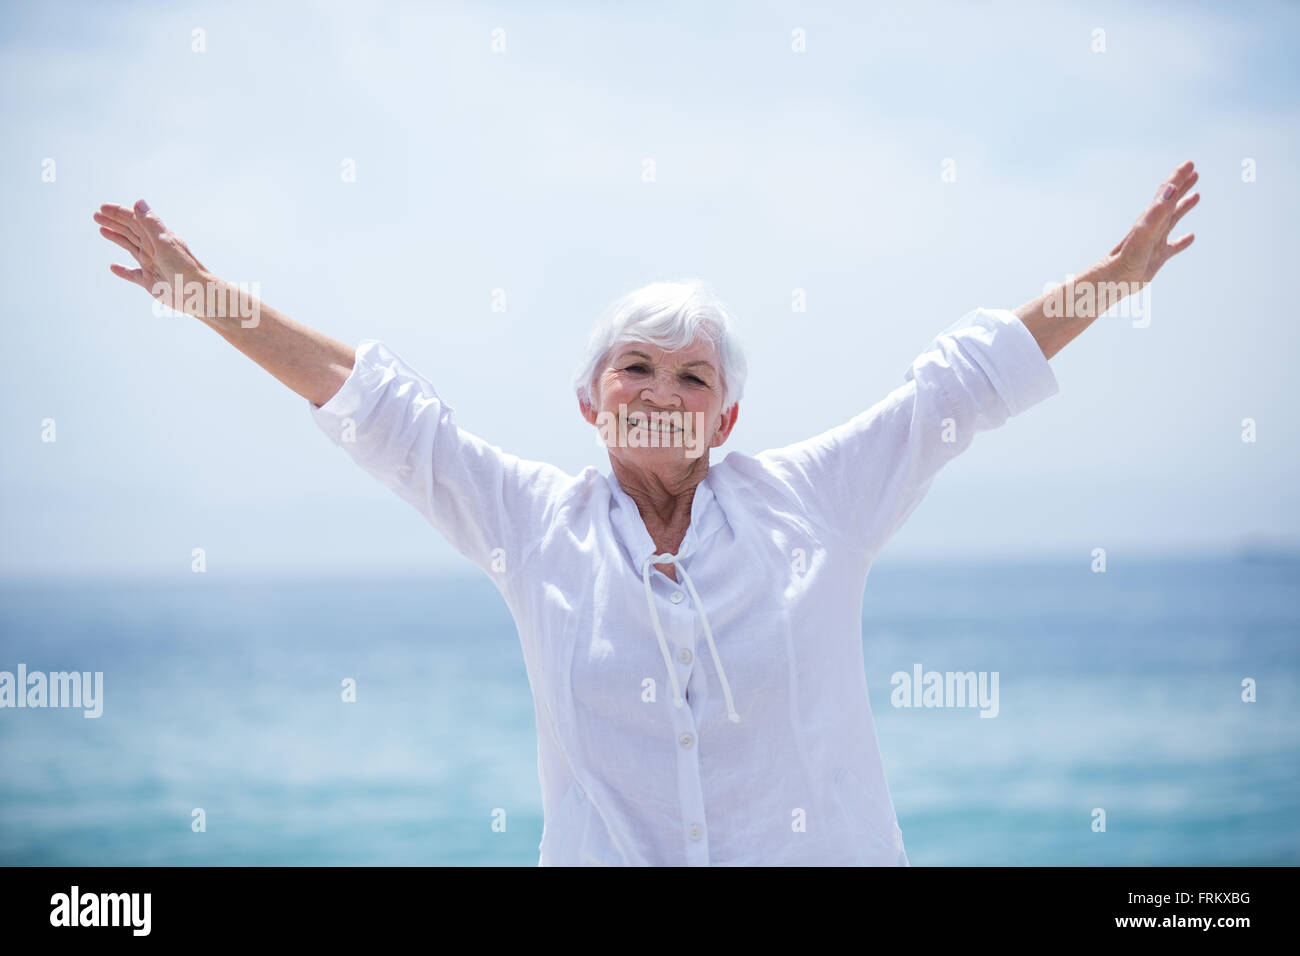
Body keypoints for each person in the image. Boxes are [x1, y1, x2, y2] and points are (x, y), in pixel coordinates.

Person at [93, 161, 1199, 865]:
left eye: (692, 376)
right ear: (589, 400)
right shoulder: (528, 523)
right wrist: (202, 294)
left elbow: (958, 384)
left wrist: (1114, 278)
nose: (663, 393)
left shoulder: (813, 500)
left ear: (725, 418)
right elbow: (375, 405)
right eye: (636, 367)